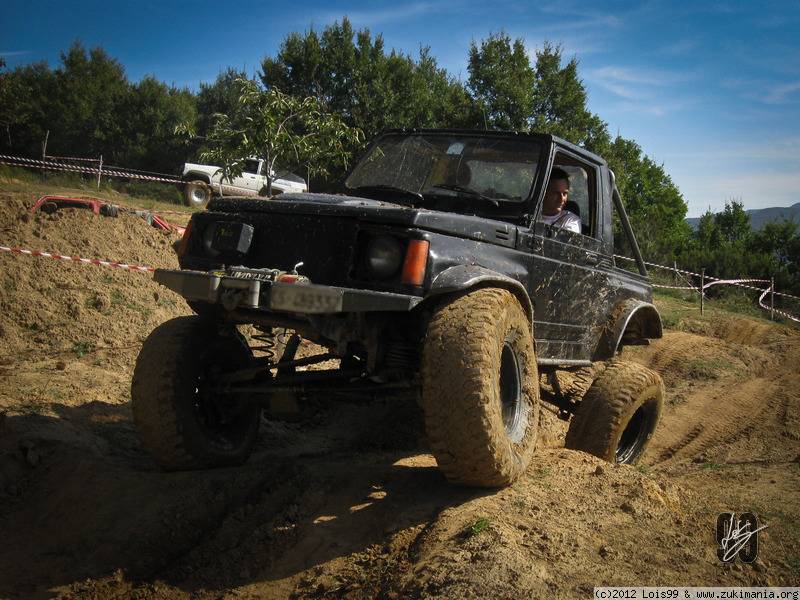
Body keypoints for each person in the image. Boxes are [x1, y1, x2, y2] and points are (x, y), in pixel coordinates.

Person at [539, 167, 581, 234]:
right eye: (556, 193)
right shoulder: (528, 215)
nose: (561, 199)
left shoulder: (571, 221)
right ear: (544, 192)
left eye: (565, 194)